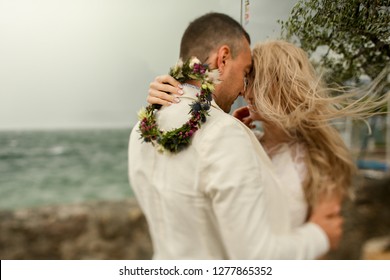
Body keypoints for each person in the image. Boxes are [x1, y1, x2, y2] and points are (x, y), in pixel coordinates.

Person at [129, 13, 342, 260]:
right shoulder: (224, 134)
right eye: (246, 72)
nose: (244, 88)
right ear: (223, 58)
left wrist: (244, 140)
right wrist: (319, 235)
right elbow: (255, 258)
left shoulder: (142, 129)